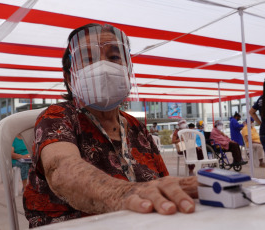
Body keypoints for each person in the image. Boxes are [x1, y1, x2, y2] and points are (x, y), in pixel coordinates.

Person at [23, 24, 198, 228]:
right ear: (70, 78)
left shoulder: (136, 127)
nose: (103, 67)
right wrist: (125, 194)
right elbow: (61, 170)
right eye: (88, 59)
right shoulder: (58, 116)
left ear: (127, 70)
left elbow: (161, 184)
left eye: (114, 57)